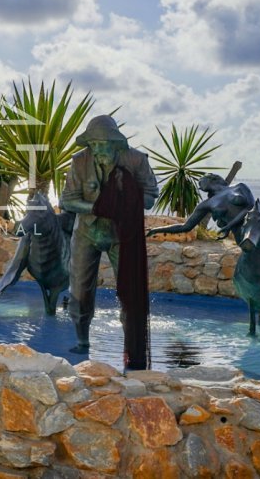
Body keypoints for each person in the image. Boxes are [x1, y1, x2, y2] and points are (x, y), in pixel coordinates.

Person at [60, 116, 158, 367]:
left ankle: (131, 349)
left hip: (123, 234)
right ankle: (82, 341)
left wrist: (128, 199)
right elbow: (67, 200)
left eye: (102, 144)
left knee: (130, 294)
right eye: (93, 144)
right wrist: (99, 207)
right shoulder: (79, 161)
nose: (97, 150)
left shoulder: (136, 160)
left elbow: (150, 196)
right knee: (79, 292)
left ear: (115, 142)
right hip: (87, 233)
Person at [146, 173, 255, 243]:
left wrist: (229, 226)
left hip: (255, 228)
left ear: (210, 178)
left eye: (200, 181)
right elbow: (186, 226)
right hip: (241, 237)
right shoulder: (206, 204)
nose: (199, 185)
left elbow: (252, 208)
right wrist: (156, 230)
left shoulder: (239, 186)